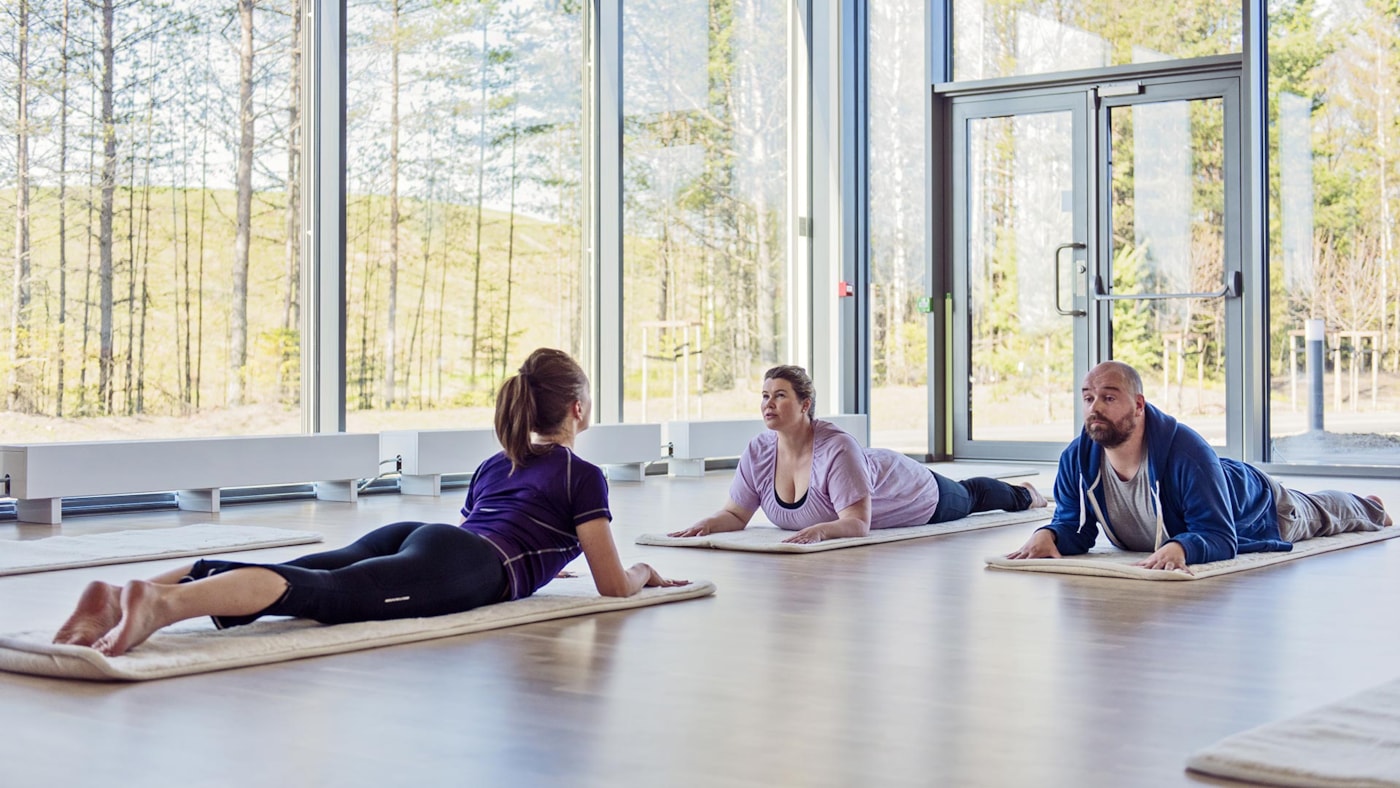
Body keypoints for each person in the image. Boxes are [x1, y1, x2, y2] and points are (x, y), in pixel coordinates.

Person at [54, 348, 687, 657]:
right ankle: (161, 605)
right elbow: (613, 586)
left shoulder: (500, 461)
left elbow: (505, 526)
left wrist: (552, 559)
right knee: (319, 595)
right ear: (579, 408)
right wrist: (645, 570)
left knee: (317, 567)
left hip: (423, 536)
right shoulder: (582, 473)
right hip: (464, 565)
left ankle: (118, 596)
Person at [1005, 360, 1392, 573]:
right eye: (1088, 398)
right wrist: (1050, 536)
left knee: (1319, 514)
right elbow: (1075, 525)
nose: (1095, 408)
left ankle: (1371, 506)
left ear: (1139, 406)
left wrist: (1182, 546)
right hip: (1212, 479)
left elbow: (1220, 537)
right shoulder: (1077, 458)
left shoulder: (1187, 452)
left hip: (1256, 506)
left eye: (1109, 397)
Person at [667, 365, 1048, 545]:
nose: (769, 404)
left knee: (969, 497)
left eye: (780, 395)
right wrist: (708, 525)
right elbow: (736, 514)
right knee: (968, 493)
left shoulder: (836, 448)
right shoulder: (759, 450)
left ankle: (1025, 494)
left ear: (805, 405)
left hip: (911, 490)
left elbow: (856, 524)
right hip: (872, 470)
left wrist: (820, 530)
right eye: (765, 396)